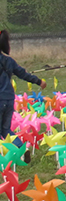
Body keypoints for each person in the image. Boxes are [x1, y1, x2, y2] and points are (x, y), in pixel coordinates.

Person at [0, 29, 46, 162]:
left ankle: (5, 159)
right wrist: (39, 81)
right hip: (9, 98)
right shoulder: (9, 61)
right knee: (5, 130)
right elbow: (23, 74)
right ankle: (22, 148)